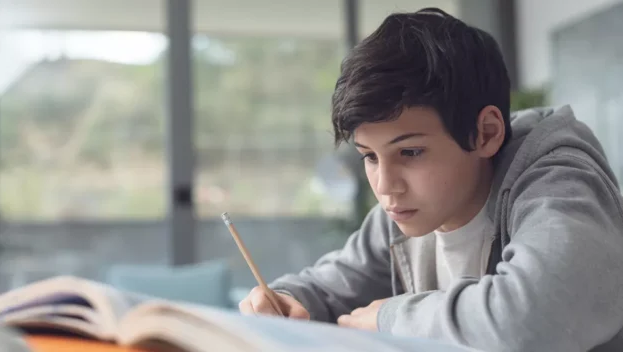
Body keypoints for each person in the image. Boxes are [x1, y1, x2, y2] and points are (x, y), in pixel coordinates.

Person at [238, 7, 623, 351]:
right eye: (370, 157)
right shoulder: (401, 214)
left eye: (410, 152)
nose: (386, 186)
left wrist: (390, 319)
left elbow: (535, 320)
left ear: (485, 133)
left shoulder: (556, 181)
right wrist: (287, 298)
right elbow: (330, 286)